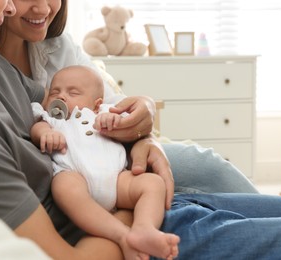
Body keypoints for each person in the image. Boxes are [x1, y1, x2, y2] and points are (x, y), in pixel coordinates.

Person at [0, 0, 281, 260]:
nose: (14, 5)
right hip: (142, 233)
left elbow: (96, 108)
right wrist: (129, 226)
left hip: (151, 205)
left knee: (229, 175)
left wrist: (143, 128)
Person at [0, 0, 259, 195]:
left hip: (111, 155)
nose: (43, 8)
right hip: (69, 178)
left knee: (206, 166)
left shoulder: (59, 45)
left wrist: (143, 121)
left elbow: (115, 104)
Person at [31, 65, 180, 259]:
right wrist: (46, 134)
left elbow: (133, 122)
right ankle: (119, 233)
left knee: (153, 183)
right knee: (63, 187)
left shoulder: (104, 113)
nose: (62, 97)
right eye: (55, 92)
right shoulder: (52, 120)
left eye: (73, 92)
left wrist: (113, 120)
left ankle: (145, 228)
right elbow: (37, 129)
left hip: (117, 180)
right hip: (74, 175)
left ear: (96, 103)